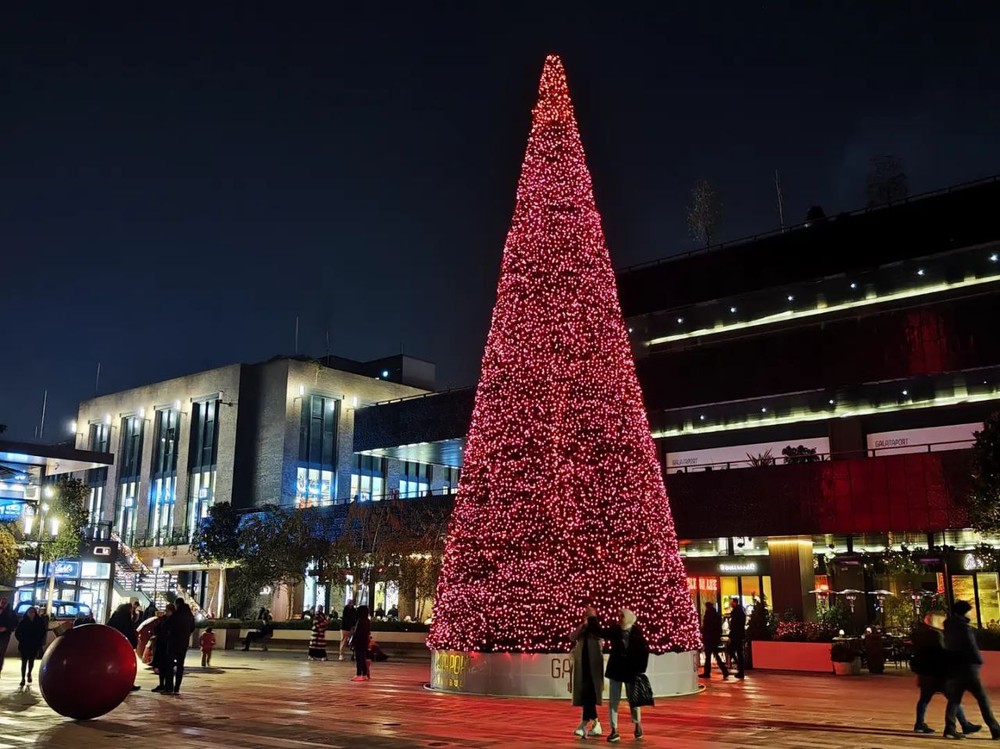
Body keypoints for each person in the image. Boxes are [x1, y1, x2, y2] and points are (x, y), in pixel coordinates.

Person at [912, 611, 978, 735]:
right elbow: (942, 653)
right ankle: (963, 725)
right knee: (954, 698)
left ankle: (919, 724)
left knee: (924, 699)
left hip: (925, 673)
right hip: (938, 674)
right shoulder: (937, 635)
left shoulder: (921, 635)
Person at [944, 600, 1000, 739]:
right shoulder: (964, 627)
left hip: (956, 668)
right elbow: (971, 646)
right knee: (982, 699)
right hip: (968, 669)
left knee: (954, 699)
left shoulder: (949, 626)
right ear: (965, 612)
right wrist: (979, 660)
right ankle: (995, 729)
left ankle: (950, 728)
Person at [604, 608, 648, 742]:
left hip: (631, 670)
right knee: (613, 700)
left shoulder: (636, 632)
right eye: (618, 615)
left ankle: (637, 724)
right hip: (616, 669)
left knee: (633, 700)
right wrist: (592, 619)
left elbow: (644, 650)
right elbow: (601, 632)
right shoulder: (615, 630)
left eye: (621, 616)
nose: (619, 618)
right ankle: (614, 729)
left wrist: (640, 668)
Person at [571, 608, 604, 738]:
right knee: (587, 697)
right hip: (583, 669)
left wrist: (591, 625)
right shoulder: (583, 630)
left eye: (590, 616)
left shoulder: (596, 631)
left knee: (589, 697)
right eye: (586, 616)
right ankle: (595, 724)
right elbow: (572, 636)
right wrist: (582, 627)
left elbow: (600, 639)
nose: (587, 618)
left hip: (593, 669)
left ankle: (583, 725)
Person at [107, 601, 142, 691]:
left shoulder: (115, 617)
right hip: (124, 646)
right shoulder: (125, 619)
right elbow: (129, 632)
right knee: (126, 667)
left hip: (114, 645)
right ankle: (127, 684)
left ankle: (115, 682)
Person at [168, 597, 196, 694]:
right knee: (180, 666)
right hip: (184, 643)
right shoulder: (189, 616)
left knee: (170, 665)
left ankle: (170, 687)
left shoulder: (175, 615)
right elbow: (192, 628)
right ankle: (177, 688)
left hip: (173, 642)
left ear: (177, 604)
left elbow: (168, 626)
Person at [14, 606, 46, 687]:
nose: (31, 614)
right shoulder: (23, 622)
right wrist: (21, 639)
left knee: (31, 661)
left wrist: (38, 640)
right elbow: (17, 632)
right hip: (24, 644)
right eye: (30, 612)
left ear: (35, 613)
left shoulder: (39, 622)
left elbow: (42, 632)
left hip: (34, 645)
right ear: (27, 613)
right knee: (24, 662)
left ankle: (29, 673)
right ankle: (23, 678)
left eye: (33, 612)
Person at [701, 602, 729, 680]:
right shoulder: (716, 615)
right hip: (714, 639)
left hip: (709, 639)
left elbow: (707, 627)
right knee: (716, 655)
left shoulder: (708, 615)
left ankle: (707, 672)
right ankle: (724, 670)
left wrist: (704, 634)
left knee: (708, 656)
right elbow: (718, 628)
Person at [152, 604, 175, 693]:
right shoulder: (165, 619)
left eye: (167, 610)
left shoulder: (172, 620)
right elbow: (157, 628)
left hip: (166, 646)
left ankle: (167, 686)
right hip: (162, 645)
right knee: (162, 666)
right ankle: (162, 684)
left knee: (166, 667)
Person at [350, 605, 372, 681]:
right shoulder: (367, 621)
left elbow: (357, 633)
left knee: (359, 658)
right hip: (364, 641)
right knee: (363, 658)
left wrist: (352, 642)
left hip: (359, 642)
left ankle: (359, 674)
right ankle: (364, 674)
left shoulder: (359, 621)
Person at [728, 597, 747, 679]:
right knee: (738, 652)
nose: (730, 603)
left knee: (733, 650)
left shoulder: (737, 612)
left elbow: (735, 624)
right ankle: (740, 668)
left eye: (731, 602)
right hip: (738, 634)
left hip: (736, 635)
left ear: (735, 602)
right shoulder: (740, 611)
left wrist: (732, 632)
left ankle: (739, 667)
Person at [0, 597, 17, 679]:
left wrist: (6, 628)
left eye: (4, 601)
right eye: (2, 601)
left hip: (4, 635)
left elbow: (14, 623)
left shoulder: (11, 612)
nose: (3, 602)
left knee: (1, 652)